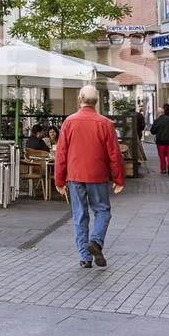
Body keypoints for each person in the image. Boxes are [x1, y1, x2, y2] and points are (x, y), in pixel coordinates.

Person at [54, 85, 125, 269]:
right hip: (98, 175)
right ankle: (96, 241)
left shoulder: (69, 122)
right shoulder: (105, 123)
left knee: (79, 215)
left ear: (80, 99)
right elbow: (114, 154)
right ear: (97, 101)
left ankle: (85, 257)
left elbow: (61, 153)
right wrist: (119, 179)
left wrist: (59, 180)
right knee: (102, 211)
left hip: (75, 176)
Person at [150, 106, 169, 175]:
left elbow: (152, 131)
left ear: (158, 113)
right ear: (163, 112)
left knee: (162, 155)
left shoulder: (157, 121)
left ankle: (163, 169)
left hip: (161, 141)